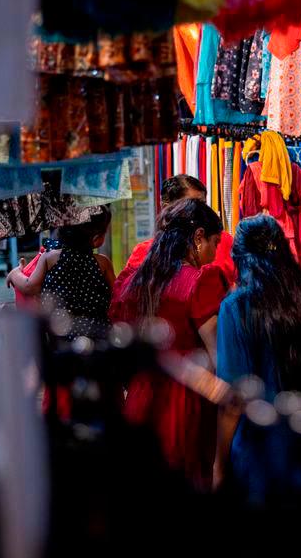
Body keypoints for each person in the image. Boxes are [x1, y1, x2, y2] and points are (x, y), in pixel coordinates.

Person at [109, 198, 226, 487]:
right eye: (215, 242)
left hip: (141, 395)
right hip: (186, 402)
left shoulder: (137, 280)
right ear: (198, 236)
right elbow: (218, 357)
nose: (215, 253)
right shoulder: (200, 281)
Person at [214, 214, 301, 492]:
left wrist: (219, 464)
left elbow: (233, 396)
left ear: (239, 258)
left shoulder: (236, 307)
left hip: (259, 449)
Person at [7, 207, 114, 338]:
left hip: (61, 333)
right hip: (98, 333)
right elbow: (116, 294)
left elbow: (30, 287)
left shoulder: (50, 258)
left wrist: (14, 274)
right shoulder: (103, 263)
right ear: (96, 238)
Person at [115, 174, 235, 290]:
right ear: (166, 208)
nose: (200, 211)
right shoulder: (144, 252)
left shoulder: (222, 241)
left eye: (202, 204)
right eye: (191, 205)